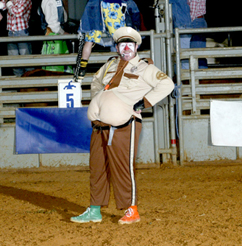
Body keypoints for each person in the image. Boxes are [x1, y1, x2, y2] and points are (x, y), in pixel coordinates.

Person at [70, 26, 174, 225]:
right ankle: (94, 209)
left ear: (136, 47)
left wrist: (144, 102)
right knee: (97, 167)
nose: (126, 48)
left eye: (130, 44)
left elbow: (167, 84)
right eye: (122, 44)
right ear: (117, 48)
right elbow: (96, 81)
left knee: (123, 167)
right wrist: (99, 102)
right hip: (99, 125)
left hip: (124, 125)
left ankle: (131, 210)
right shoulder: (110, 65)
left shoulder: (146, 68)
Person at [77, 0, 141, 81]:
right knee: (121, 39)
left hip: (94, 5)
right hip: (113, 5)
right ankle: (126, 66)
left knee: (89, 41)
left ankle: (82, 68)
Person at [0, 0, 33, 77]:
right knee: (14, 62)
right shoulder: (9, 0)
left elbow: (18, 13)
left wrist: (8, 3)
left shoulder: (25, 1)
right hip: (11, 33)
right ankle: (19, 85)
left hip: (22, 33)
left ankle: (30, 85)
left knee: (27, 62)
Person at [170, 0, 207, 69]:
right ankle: (201, 75)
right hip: (197, 20)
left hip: (190, 22)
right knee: (198, 55)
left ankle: (192, 75)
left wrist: (187, 24)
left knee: (189, 55)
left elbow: (192, 8)